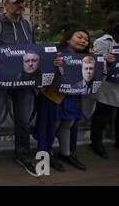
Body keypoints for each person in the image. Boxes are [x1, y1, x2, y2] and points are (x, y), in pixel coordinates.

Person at [0, 0, 39, 178]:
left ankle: (22, 155)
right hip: (0, 82)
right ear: (6, 5)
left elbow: (35, 51)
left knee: (23, 120)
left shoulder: (28, 25)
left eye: (23, 2)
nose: (21, 5)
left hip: (24, 82)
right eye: (17, 2)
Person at [33, 29, 91, 172]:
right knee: (50, 126)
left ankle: (66, 153)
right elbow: (40, 73)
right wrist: (54, 65)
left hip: (73, 97)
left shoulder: (88, 59)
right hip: (52, 96)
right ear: (68, 39)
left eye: (86, 39)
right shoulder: (55, 55)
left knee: (68, 124)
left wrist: (106, 67)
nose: (83, 40)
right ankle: (45, 155)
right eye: (79, 37)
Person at [90, 11, 119, 159]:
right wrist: (105, 60)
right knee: (103, 115)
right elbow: (96, 63)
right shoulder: (103, 41)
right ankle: (96, 142)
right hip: (108, 85)